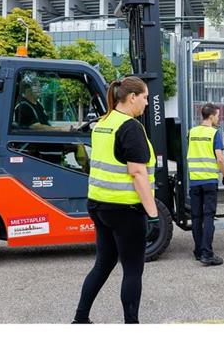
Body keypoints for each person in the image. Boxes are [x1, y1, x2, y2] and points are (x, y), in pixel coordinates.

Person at [73, 76, 159, 324]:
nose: (145, 103)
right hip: (125, 210)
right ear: (132, 97)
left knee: (104, 263)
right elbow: (137, 173)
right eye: (144, 98)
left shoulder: (103, 123)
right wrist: (152, 214)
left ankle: (80, 319)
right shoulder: (130, 127)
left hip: (98, 204)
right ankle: (131, 325)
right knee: (133, 270)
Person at [187, 103, 224, 266]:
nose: (218, 118)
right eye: (217, 116)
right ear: (211, 116)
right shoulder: (214, 133)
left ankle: (198, 251)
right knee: (209, 217)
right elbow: (219, 158)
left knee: (196, 217)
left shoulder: (192, 132)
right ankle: (207, 253)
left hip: (195, 181)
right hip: (210, 181)